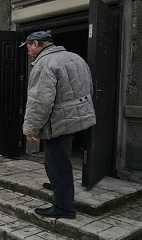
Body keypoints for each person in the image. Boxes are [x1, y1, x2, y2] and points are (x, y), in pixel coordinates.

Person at [20, 31, 96, 219]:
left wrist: (31, 128)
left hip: (59, 121)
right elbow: (90, 88)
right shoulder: (75, 57)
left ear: (37, 43)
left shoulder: (44, 64)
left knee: (58, 163)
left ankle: (64, 208)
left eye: (28, 46)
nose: (28, 51)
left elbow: (40, 101)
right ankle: (58, 186)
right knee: (58, 159)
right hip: (78, 117)